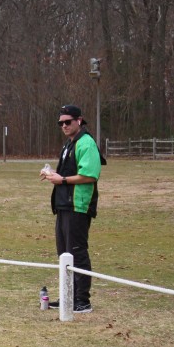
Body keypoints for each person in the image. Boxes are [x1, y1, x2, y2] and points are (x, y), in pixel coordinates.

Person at [40, 104, 103, 313]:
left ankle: (82, 301)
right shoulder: (70, 144)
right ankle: (68, 297)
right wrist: (51, 173)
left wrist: (63, 180)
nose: (64, 126)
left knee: (77, 252)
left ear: (79, 120)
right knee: (64, 254)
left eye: (68, 122)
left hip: (78, 205)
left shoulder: (86, 143)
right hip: (63, 205)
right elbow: (66, 173)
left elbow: (90, 175)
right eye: (61, 123)